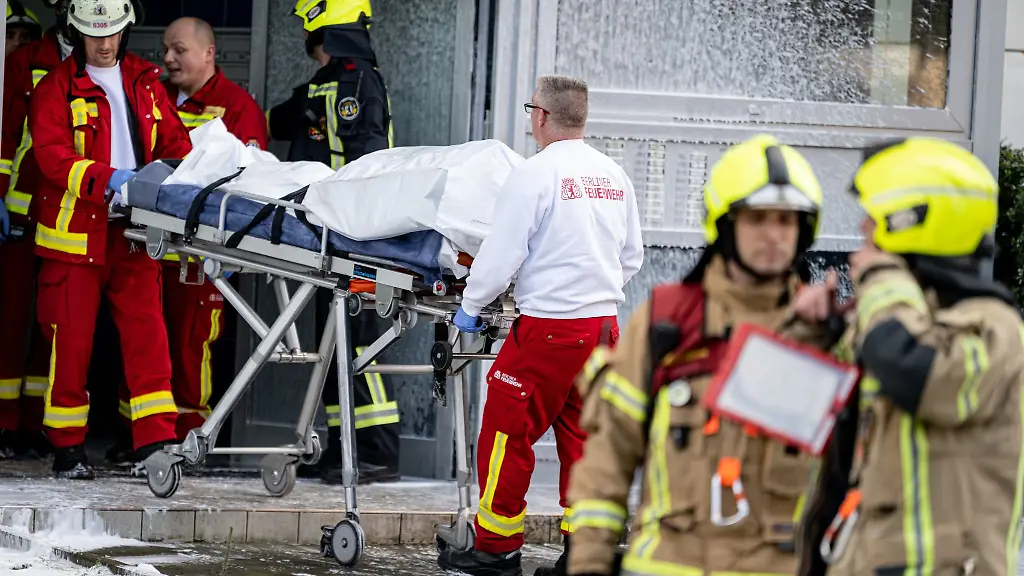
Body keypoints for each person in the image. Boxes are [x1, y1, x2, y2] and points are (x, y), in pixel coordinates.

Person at [565, 134, 833, 576]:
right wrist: (590, 564)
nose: (773, 235)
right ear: (726, 225)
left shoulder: (821, 338)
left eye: (786, 221)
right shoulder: (668, 322)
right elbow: (607, 460)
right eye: (758, 219)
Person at [437, 74, 644, 576]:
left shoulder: (534, 175)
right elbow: (632, 258)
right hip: (602, 330)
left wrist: (471, 303)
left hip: (548, 332)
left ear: (542, 116)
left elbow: (501, 254)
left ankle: (495, 551)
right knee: (586, 440)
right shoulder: (614, 175)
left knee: (507, 434)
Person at [794, 137, 1024, 575]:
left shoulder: (995, 326)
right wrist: (817, 333)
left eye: (875, 219)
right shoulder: (895, 320)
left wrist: (882, 278)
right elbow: (802, 414)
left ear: (913, 223)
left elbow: (918, 371)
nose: (862, 230)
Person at [28, 0, 192, 479]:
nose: (103, 43)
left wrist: (169, 179)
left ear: (125, 29)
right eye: (93, 33)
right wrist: (108, 178)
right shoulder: (54, 87)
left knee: (148, 339)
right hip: (74, 239)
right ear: (76, 31)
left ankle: (155, 442)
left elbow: (176, 144)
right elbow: (52, 156)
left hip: (135, 233)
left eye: (112, 32)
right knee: (70, 343)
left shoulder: (145, 81)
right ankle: (66, 448)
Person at [104, 16, 271, 466]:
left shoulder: (236, 108)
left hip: (201, 259)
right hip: (152, 248)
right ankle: (139, 435)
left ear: (209, 54)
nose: (168, 58)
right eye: (164, 48)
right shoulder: (153, 96)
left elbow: (249, 182)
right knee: (144, 346)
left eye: (179, 49)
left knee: (190, 345)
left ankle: (187, 441)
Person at [267, 0, 400, 486]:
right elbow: (283, 121)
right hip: (327, 235)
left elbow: (367, 157)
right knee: (333, 344)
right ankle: (343, 448)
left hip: (356, 236)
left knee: (358, 347)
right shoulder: (329, 80)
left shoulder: (357, 78)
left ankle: (379, 453)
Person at [0, 0, 73, 460]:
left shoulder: (107, 66)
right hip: (22, 217)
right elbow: (6, 133)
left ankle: (36, 423)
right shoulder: (24, 62)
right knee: (10, 323)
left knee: (56, 327)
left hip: (70, 220)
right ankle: (5, 424)